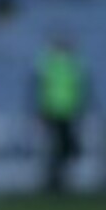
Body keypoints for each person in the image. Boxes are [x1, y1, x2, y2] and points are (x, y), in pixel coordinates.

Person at [32, 34, 89, 194]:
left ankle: (56, 179)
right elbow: (41, 87)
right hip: (54, 111)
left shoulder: (62, 63)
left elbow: (80, 88)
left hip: (65, 111)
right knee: (60, 147)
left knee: (63, 147)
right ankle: (55, 180)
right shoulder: (55, 63)